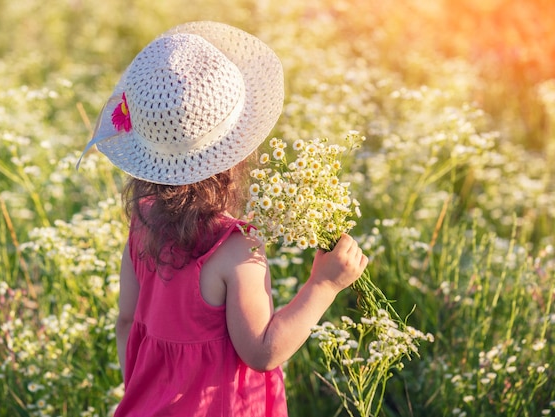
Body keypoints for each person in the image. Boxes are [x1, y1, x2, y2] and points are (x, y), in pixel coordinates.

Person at [78, 21, 368, 417]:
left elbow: (126, 321)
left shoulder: (142, 222)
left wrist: (145, 396)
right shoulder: (234, 248)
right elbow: (263, 352)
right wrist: (324, 285)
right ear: (235, 154)